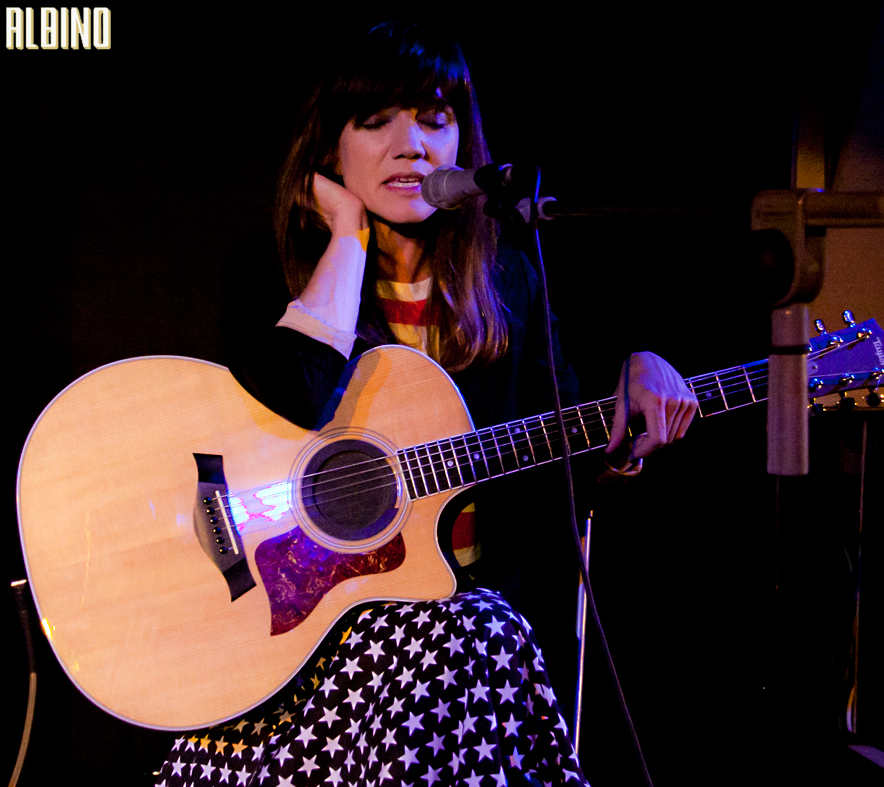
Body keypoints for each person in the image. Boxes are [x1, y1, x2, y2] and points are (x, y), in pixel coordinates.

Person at [154, 21, 696, 787]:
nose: (410, 146)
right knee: (471, 638)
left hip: (460, 627)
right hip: (306, 637)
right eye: (376, 121)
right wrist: (346, 237)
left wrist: (633, 399)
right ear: (328, 147)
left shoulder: (508, 280)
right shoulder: (269, 272)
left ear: (462, 144)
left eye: (434, 119)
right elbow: (287, 398)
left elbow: (561, 467)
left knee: (474, 632)